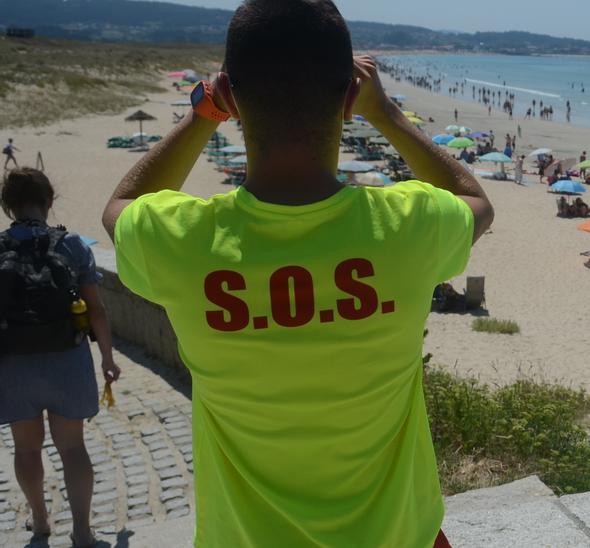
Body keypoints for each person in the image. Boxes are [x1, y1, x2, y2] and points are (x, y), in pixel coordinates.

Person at [101, 2, 494, 545]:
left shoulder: (184, 240)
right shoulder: (406, 225)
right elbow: (473, 199)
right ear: (350, 97)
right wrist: (389, 117)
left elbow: (121, 207)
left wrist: (202, 114)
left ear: (232, 98)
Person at [1, 168, 121, 548]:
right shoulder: (72, 246)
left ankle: (39, 520)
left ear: (7, 207)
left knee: (25, 447)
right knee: (72, 448)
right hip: (67, 357)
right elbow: (97, 310)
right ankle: (83, 531)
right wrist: (106, 357)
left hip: (15, 362)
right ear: (50, 201)